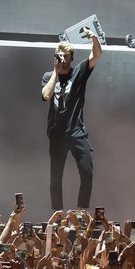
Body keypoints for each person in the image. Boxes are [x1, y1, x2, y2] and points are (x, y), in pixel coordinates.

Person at [40, 27, 102, 211]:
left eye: (66, 56)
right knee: (56, 176)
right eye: (59, 56)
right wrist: (55, 73)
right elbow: (46, 95)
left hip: (76, 132)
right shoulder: (48, 76)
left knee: (87, 172)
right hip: (57, 134)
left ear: (71, 57)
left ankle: (82, 212)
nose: (63, 60)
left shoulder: (79, 72)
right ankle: (57, 213)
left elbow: (96, 55)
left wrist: (94, 39)